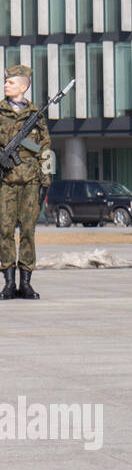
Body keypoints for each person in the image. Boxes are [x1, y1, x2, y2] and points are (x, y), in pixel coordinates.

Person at [0, 64, 52, 299]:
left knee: (29, 231)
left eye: (10, 82)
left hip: (31, 181)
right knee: (5, 230)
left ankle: (26, 282)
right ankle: (9, 282)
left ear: (23, 86)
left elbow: (45, 149)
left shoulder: (36, 115)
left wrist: (45, 181)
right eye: (5, 82)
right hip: (6, 181)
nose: (5, 86)